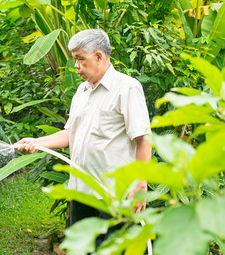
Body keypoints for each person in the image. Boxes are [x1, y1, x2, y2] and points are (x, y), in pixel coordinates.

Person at [14, 29, 152, 243]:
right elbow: (71, 133)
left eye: (80, 59)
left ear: (98, 56)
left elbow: (143, 140)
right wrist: (36, 142)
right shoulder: (81, 91)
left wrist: (141, 183)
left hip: (114, 194)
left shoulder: (127, 88)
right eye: (74, 59)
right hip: (81, 191)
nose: (76, 65)